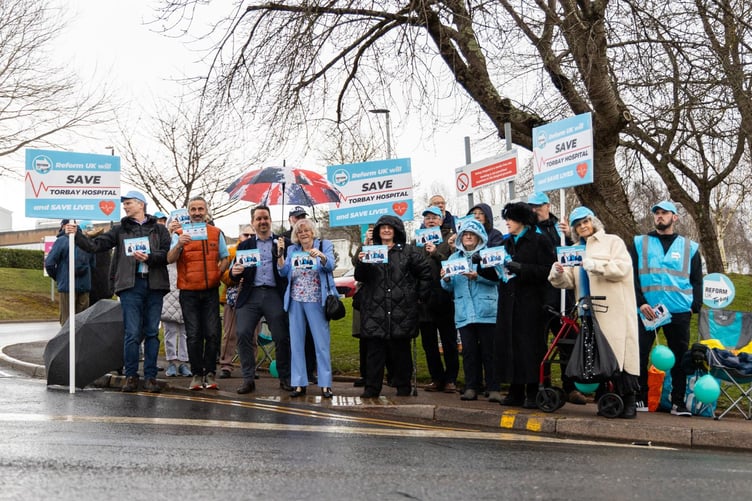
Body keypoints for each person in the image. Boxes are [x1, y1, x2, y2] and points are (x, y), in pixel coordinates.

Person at [67, 190, 171, 393]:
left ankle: (150, 377)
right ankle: (131, 376)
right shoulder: (120, 229)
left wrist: (148, 258)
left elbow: (166, 255)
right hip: (130, 287)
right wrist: (77, 234)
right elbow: (96, 246)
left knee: (151, 333)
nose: (125, 206)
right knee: (131, 333)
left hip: (155, 285)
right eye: (124, 204)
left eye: (129, 203)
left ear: (141, 204)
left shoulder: (160, 230)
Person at [549, 206, 641, 418]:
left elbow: (622, 269)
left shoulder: (612, 242)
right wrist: (557, 272)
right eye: (578, 225)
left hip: (614, 310)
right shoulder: (574, 250)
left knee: (621, 356)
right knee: (601, 359)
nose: (583, 227)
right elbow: (569, 282)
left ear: (593, 222)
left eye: (585, 222)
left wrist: (593, 264)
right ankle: (608, 400)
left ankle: (629, 401)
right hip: (588, 311)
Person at [631, 200, 702, 417]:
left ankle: (678, 402)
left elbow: (697, 279)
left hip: (679, 310)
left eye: (665, 213)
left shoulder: (689, 247)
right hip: (647, 310)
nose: (660, 216)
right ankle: (640, 398)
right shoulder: (639, 243)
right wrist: (640, 302)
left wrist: (694, 306)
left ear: (675, 217)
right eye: (657, 213)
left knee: (680, 357)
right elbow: (631, 276)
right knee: (640, 355)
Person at [354, 215, 432, 398]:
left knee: (401, 351)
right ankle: (372, 388)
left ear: (397, 231)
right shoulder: (371, 251)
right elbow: (360, 277)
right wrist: (361, 262)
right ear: (378, 231)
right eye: (383, 228)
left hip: (401, 309)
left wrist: (419, 295)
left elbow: (425, 273)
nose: (386, 230)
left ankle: (403, 386)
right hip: (375, 309)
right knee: (374, 352)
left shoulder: (409, 252)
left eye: (390, 227)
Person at [496, 202, 556, 409]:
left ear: (521, 220)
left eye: (510, 219)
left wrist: (522, 268)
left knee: (530, 348)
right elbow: (497, 273)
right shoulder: (506, 243)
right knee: (511, 347)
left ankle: (533, 390)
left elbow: (548, 271)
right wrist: (480, 263)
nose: (507, 223)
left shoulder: (540, 241)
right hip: (509, 302)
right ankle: (515, 390)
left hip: (532, 303)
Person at [167, 196, 229, 391]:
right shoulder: (179, 233)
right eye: (193, 209)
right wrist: (179, 244)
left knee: (212, 334)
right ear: (188, 212)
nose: (197, 212)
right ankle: (196, 374)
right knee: (193, 335)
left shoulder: (216, 233)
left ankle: (210, 373)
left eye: (200, 209)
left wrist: (216, 274)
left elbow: (225, 257)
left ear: (206, 211)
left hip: (210, 291)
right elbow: (170, 259)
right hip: (188, 292)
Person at [528, 192, 584, 404]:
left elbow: (576, 253)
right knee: (541, 345)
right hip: (539, 294)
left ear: (547, 206)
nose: (535, 210)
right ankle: (545, 385)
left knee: (567, 342)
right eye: (531, 207)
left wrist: (569, 235)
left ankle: (571, 386)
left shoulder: (559, 227)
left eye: (538, 206)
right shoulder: (529, 229)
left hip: (562, 294)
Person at [230, 205, 292, 395]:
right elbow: (233, 275)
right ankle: (248, 379)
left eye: (265, 218)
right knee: (243, 334)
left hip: (274, 294)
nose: (262, 222)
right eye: (259, 219)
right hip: (251, 294)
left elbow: (290, 270)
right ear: (253, 223)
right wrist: (234, 272)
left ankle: (285, 377)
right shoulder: (244, 246)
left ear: (270, 220)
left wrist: (282, 253)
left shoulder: (284, 243)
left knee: (281, 336)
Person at [440, 219, 500, 401]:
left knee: (490, 352)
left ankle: (493, 387)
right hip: (464, 312)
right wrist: (446, 279)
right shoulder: (453, 259)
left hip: (486, 310)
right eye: (464, 234)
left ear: (479, 237)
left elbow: (498, 278)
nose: (467, 237)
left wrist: (478, 276)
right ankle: (471, 386)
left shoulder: (487, 256)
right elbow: (447, 287)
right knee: (469, 352)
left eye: (471, 234)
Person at [278, 218, 336, 398]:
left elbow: (330, 266)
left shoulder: (324, 244)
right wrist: (279, 255)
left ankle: (325, 384)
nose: (303, 234)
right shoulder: (291, 249)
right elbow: (283, 271)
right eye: (300, 231)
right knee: (296, 343)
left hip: (317, 298)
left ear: (312, 232)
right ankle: (299, 383)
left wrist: (320, 256)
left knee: (321, 343)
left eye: (306, 230)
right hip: (296, 299)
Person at [416, 207, 459, 394]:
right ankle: (436, 378)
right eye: (427, 218)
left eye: (434, 218)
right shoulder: (417, 242)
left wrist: (437, 254)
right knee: (429, 344)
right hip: (423, 301)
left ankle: (451, 379)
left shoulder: (450, 239)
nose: (431, 221)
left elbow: (453, 264)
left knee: (449, 342)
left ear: (442, 220)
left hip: (444, 298)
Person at [282, 206, 318, 383]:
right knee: (294, 338)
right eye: (297, 218)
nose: (300, 221)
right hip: (292, 294)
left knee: (311, 336)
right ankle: (295, 375)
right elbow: (282, 269)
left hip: (312, 296)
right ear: (290, 219)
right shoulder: (284, 240)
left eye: (303, 217)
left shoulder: (316, 242)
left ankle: (310, 371)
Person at [218, 225, 257, 378]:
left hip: (252, 298)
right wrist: (234, 276)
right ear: (239, 236)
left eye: (251, 235)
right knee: (230, 333)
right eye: (245, 234)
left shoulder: (257, 253)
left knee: (252, 334)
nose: (248, 237)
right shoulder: (231, 252)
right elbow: (223, 274)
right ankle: (226, 365)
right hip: (232, 297)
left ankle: (250, 366)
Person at [158, 213, 191, 378]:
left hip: (187, 285)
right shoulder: (166, 238)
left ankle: (184, 362)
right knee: (170, 329)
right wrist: (169, 233)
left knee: (185, 329)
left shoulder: (191, 237)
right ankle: (171, 361)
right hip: (170, 287)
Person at [45, 219, 96, 325]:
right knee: (82, 322)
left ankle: (67, 342)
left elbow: (49, 263)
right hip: (84, 286)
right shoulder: (87, 241)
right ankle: (80, 341)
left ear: (64, 227)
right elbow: (93, 265)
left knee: (66, 321)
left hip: (66, 286)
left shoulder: (61, 241)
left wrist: (58, 277)